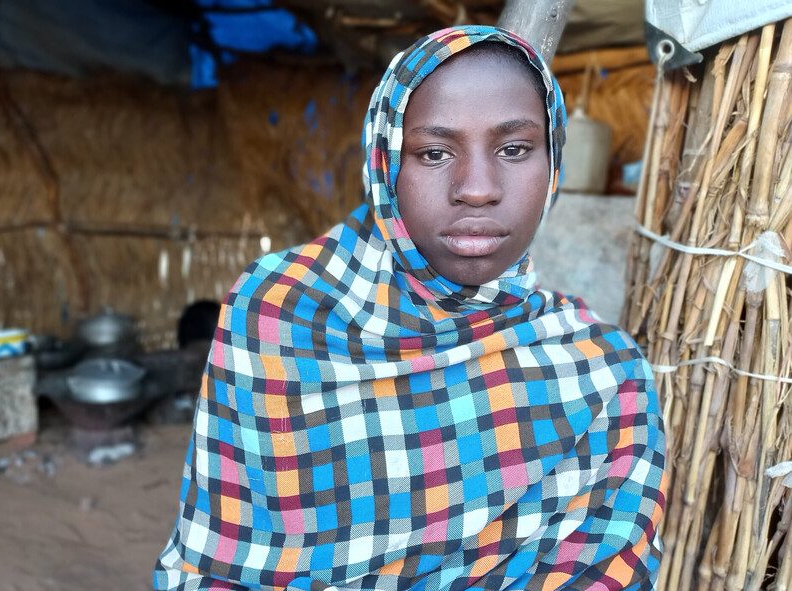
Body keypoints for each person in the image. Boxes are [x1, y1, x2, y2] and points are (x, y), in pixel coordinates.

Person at [154, 25, 667, 591]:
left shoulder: (604, 374)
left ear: (553, 165)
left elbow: (603, 572)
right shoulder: (278, 312)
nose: (477, 188)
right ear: (384, 166)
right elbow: (218, 566)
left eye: (515, 149)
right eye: (434, 152)